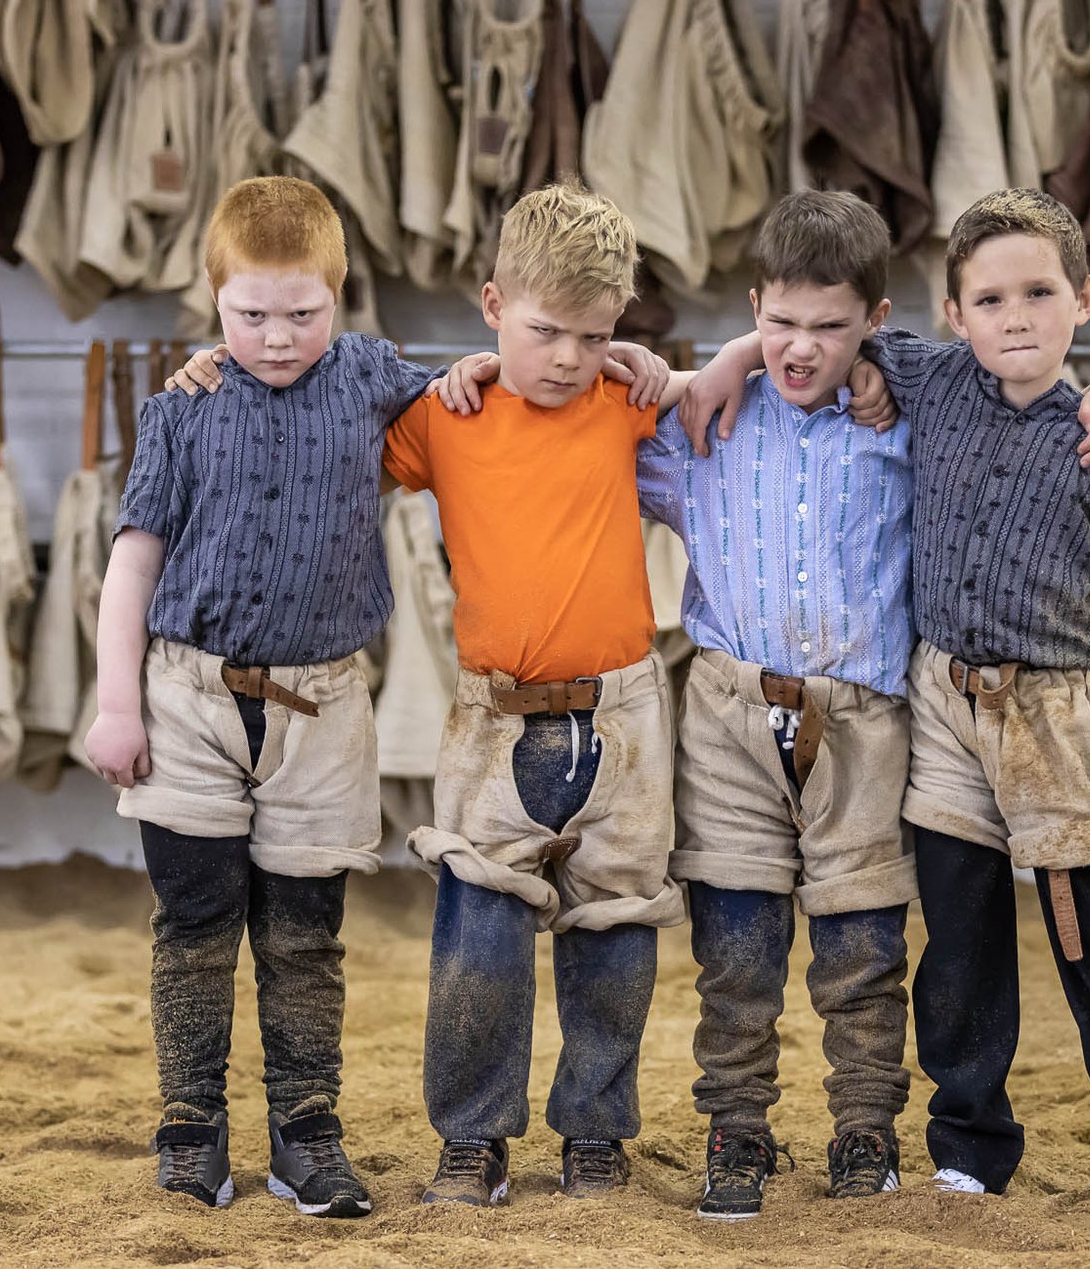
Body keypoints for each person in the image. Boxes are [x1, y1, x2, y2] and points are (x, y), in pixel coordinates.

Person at [687, 187, 1090, 1201]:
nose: (1016, 318)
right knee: (959, 943)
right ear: (953, 313)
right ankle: (968, 1149)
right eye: (990, 299)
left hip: (1065, 714)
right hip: (945, 707)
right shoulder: (928, 378)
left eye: (1040, 294)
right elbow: (820, 333)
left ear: (1084, 298)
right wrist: (726, 359)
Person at [85, 176, 659, 1216]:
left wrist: (579, 361)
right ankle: (191, 1128)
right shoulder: (182, 408)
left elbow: (484, 387)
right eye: (250, 315)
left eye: (302, 312)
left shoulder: (373, 378)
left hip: (330, 706)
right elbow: (134, 557)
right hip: (192, 695)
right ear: (213, 301)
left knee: (308, 935)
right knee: (195, 925)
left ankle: (307, 1131)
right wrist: (113, 703)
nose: (275, 337)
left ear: (340, 297)